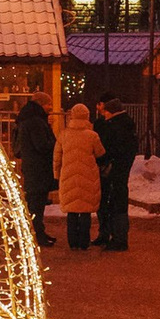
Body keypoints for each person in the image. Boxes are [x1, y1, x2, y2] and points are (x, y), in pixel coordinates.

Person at [56, 103, 105, 251]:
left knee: (71, 211)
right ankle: (84, 242)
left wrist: (56, 174)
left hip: (68, 175)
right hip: (88, 176)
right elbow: (100, 153)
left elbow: (57, 157)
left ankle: (73, 242)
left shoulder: (63, 134)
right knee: (85, 212)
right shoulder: (92, 135)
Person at [11, 96, 58, 249]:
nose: (50, 107)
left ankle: (36, 233)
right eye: (48, 103)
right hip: (38, 168)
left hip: (31, 167)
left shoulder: (27, 119)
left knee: (34, 202)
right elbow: (42, 145)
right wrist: (55, 144)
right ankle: (36, 235)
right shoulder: (36, 122)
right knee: (36, 204)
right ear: (40, 104)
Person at [96, 96, 137, 252]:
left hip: (115, 170)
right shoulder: (126, 124)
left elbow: (112, 149)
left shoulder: (116, 127)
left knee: (116, 203)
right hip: (120, 170)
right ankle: (116, 237)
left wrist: (103, 159)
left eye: (105, 113)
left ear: (110, 111)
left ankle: (119, 239)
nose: (104, 116)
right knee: (116, 202)